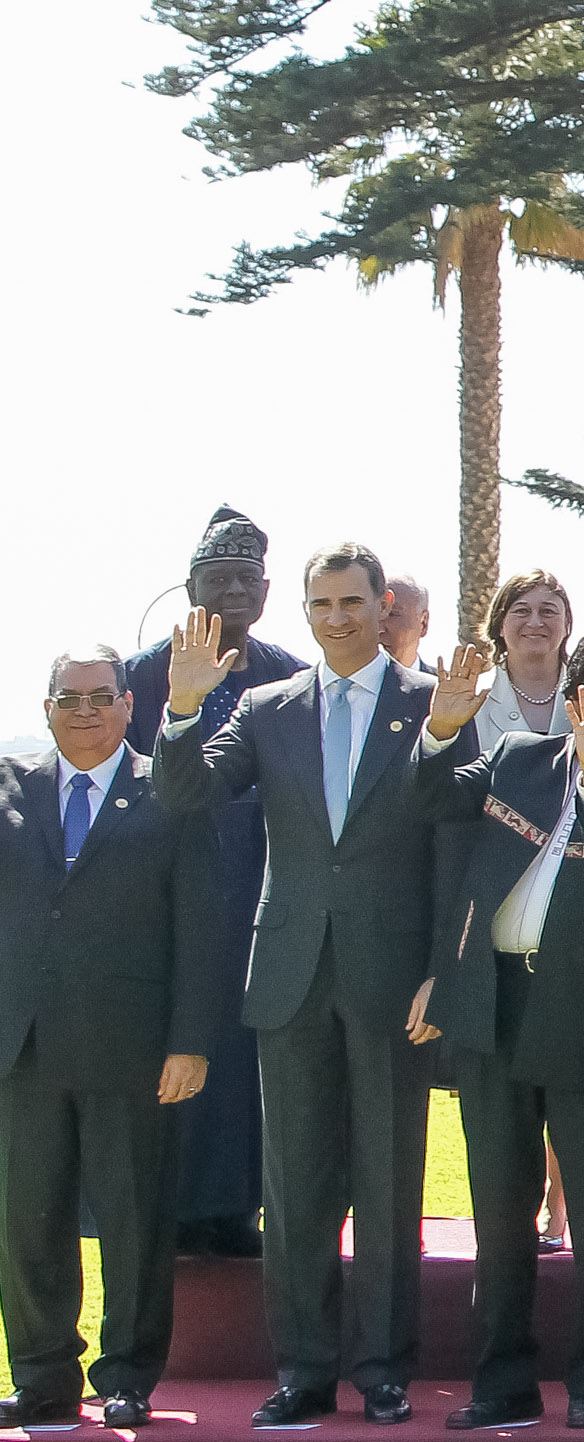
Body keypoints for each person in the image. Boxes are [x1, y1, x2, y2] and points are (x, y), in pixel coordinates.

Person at [153, 546, 465, 1430]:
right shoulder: (265, 708)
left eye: (350, 601)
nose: (334, 617)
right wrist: (180, 709)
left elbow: (454, 843)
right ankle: (302, 1371)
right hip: (288, 976)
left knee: (391, 1180)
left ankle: (385, 1371)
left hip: (393, 978)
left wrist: (443, 964)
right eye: (319, 603)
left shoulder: (431, 704)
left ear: (383, 604)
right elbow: (184, 794)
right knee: (294, 1189)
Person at [410, 624, 584, 1433]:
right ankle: (502, 1385)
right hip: (494, 1008)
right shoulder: (516, 757)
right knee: (499, 1208)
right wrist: (443, 727)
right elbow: (429, 797)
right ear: (570, 690)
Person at [0, 648, 222, 1430]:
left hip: (133, 1049)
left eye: (101, 696)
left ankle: (127, 1373)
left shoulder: (170, 790)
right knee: (26, 1226)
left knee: (132, 1223)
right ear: (47, 706)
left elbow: (204, 924)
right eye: (69, 697)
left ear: (131, 706)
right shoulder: (7, 788)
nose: (85, 710)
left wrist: (191, 1040)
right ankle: (42, 1379)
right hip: (20, 1049)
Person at [123, 506, 302, 1264]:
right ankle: (165, 1211)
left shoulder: (287, 676)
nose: (233, 591)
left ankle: (235, 1209)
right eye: (216, 578)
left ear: (265, 592)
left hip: (259, 904)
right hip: (163, 907)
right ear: (189, 589)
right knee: (171, 1055)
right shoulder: (138, 679)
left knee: (244, 1066)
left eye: (245, 579)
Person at [473, 571, 573, 744]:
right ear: (500, 626)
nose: (535, 623)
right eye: (522, 611)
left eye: (547, 611)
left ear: (567, 625)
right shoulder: (473, 697)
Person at [380, 576, 443, 677]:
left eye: (392, 614)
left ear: (423, 623)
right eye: (372, 614)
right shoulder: (346, 687)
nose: (378, 628)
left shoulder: (445, 688)